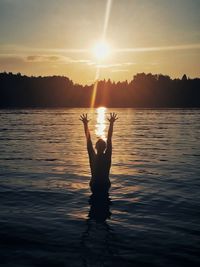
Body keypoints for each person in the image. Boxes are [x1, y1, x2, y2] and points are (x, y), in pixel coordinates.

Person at [80, 112, 118, 193]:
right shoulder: (107, 156)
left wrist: (85, 124)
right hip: (105, 184)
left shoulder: (93, 157)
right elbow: (109, 139)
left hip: (95, 184)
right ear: (105, 147)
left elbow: (88, 139)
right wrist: (111, 123)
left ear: (95, 147)